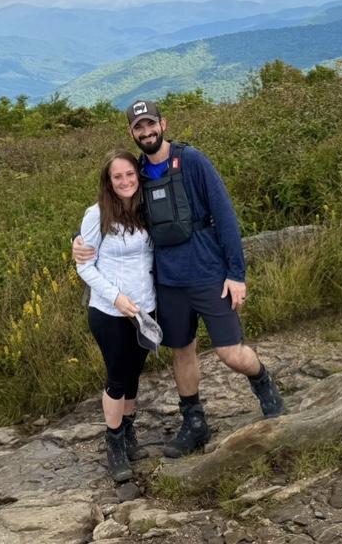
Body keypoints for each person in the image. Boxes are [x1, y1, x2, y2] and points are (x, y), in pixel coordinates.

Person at [73, 99, 283, 459]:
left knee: (230, 353)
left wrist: (236, 274)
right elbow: (113, 210)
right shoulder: (137, 173)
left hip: (208, 273)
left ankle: (262, 380)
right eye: (138, 127)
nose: (146, 132)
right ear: (131, 133)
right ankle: (194, 422)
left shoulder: (192, 161)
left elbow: (224, 215)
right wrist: (78, 241)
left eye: (150, 125)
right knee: (182, 350)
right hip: (168, 282)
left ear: (163, 124)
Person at [76, 149, 157, 482]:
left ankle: (128, 430)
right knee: (118, 376)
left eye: (130, 174)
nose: (125, 181)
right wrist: (116, 298)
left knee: (134, 373)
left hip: (145, 309)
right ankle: (114, 444)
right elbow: (84, 266)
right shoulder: (96, 214)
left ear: (138, 176)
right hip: (110, 311)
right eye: (117, 176)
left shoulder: (145, 209)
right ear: (108, 182)